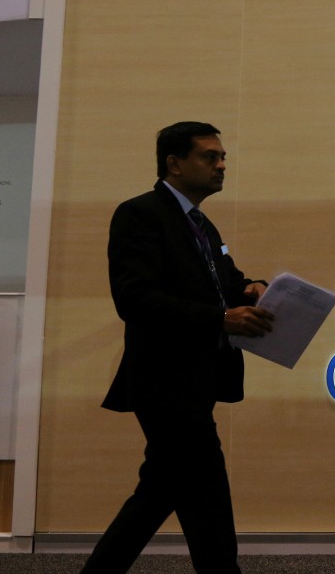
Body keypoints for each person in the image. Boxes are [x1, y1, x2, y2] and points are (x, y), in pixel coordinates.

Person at [81, 122, 274, 574]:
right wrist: (219, 318)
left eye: (223, 156)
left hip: (198, 377)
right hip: (163, 379)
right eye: (211, 156)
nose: (222, 165)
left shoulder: (201, 223)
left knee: (164, 489)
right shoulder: (140, 214)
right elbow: (133, 297)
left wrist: (250, 288)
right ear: (174, 163)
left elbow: (220, 281)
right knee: (204, 487)